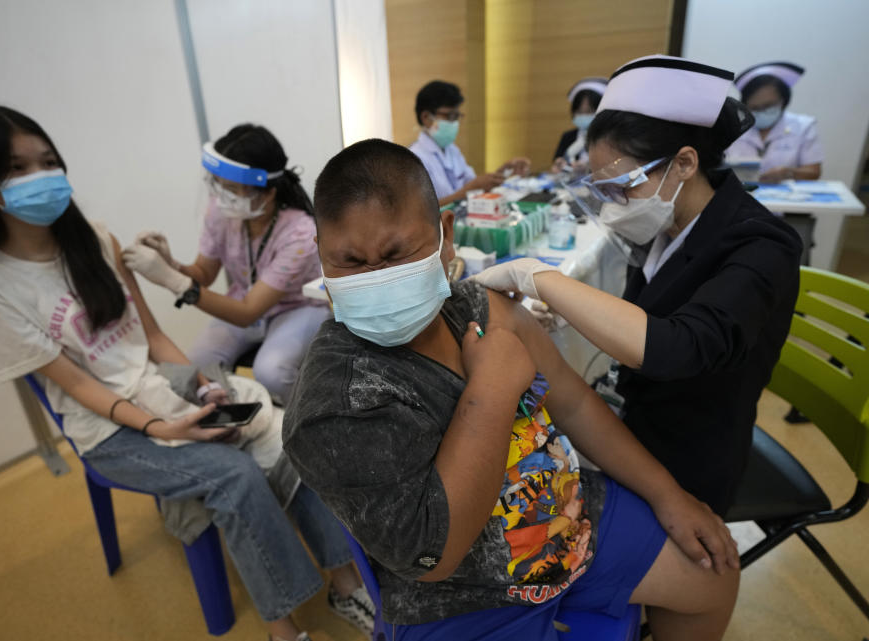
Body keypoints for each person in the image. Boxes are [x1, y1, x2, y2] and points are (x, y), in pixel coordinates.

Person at [0, 106, 374, 641]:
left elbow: (150, 337)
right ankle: (283, 630)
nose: (42, 178)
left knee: (286, 434)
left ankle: (346, 582)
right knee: (233, 474)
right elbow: (78, 386)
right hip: (107, 427)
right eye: (17, 168)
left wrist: (199, 384)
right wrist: (162, 427)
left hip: (157, 382)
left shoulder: (93, 239)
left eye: (48, 161)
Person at [283, 138, 740, 640]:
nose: (377, 278)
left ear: (446, 236)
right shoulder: (335, 405)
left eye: (397, 253)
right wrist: (493, 388)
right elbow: (436, 553)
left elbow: (574, 403)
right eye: (349, 262)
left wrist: (667, 495)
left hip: (568, 516)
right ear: (323, 265)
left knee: (713, 572)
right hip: (462, 596)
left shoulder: (476, 307)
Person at [475, 55, 803, 516]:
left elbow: (679, 345)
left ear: (685, 163)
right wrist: (569, 312)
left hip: (689, 459)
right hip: (635, 428)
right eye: (602, 191)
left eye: (622, 187)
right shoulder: (666, 226)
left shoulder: (763, 244)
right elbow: (651, 310)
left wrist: (539, 277)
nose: (613, 207)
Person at [126, 125, 330, 405]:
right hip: (245, 305)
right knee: (197, 367)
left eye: (232, 189)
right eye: (219, 185)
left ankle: (310, 422)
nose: (222, 195)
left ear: (267, 193)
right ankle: (235, 424)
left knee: (271, 372)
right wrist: (171, 264)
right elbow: (204, 274)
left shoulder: (300, 234)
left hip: (298, 308)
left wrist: (174, 282)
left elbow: (246, 313)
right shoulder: (222, 212)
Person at [409, 80, 530, 207]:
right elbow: (422, 211)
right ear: (426, 118)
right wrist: (467, 191)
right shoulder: (415, 159)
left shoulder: (451, 150)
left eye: (457, 116)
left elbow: (472, 184)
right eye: (450, 116)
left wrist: (502, 172)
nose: (455, 122)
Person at [725, 62, 823, 184]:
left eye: (768, 106)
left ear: (784, 101)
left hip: (788, 198)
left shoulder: (803, 126)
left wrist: (788, 173)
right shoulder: (733, 126)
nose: (761, 112)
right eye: (755, 107)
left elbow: (814, 172)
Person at [551, 77, 608, 172]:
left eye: (589, 111)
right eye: (579, 112)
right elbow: (557, 163)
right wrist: (559, 165)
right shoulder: (568, 137)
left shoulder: (610, 139)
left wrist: (589, 168)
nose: (583, 116)